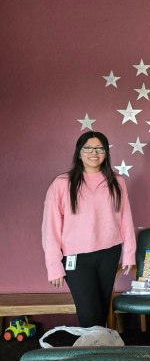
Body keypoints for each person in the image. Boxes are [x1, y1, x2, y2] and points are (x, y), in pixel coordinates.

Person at [42, 131, 136, 327]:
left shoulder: (117, 181)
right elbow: (50, 227)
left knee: (101, 310)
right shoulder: (62, 183)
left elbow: (125, 219)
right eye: (88, 148)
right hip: (76, 258)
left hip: (109, 253)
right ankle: (92, 346)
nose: (94, 152)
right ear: (79, 152)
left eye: (100, 148)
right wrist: (53, 265)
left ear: (106, 153)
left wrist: (129, 254)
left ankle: (99, 346)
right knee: (89, 313)